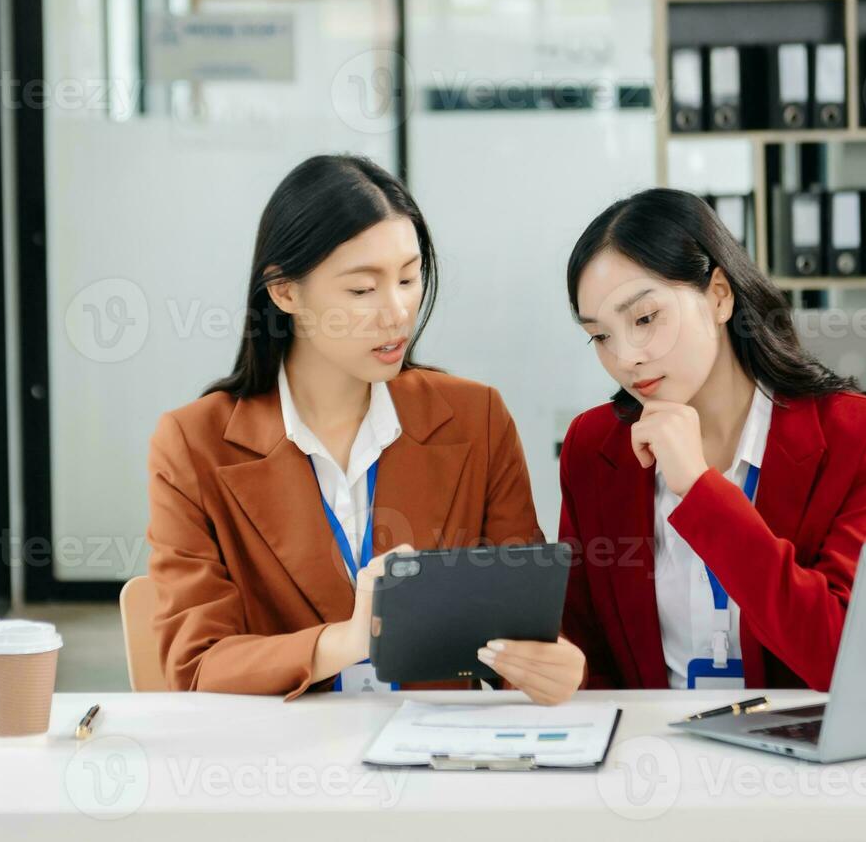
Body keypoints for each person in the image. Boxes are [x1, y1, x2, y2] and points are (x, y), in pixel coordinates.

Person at [144, 154, 583, 703]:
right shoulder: (194, 445)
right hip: (284, 766)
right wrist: (348, 640)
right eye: (361, 290)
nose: (397, 311)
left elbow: (524, 623)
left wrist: (552, 662)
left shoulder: (478, 420)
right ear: (284, 293)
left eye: (408, 277)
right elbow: (196, 666)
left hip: (440, 759)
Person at [512, 187, 866, 695]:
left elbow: (842, 658)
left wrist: (701, 490)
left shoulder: (863, 437)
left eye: (644, 319)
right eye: (601, 335)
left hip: (797, 760)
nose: (626, 357)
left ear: (719, 295)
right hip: (650, 758)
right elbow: (583, 648)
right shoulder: (595, 447)